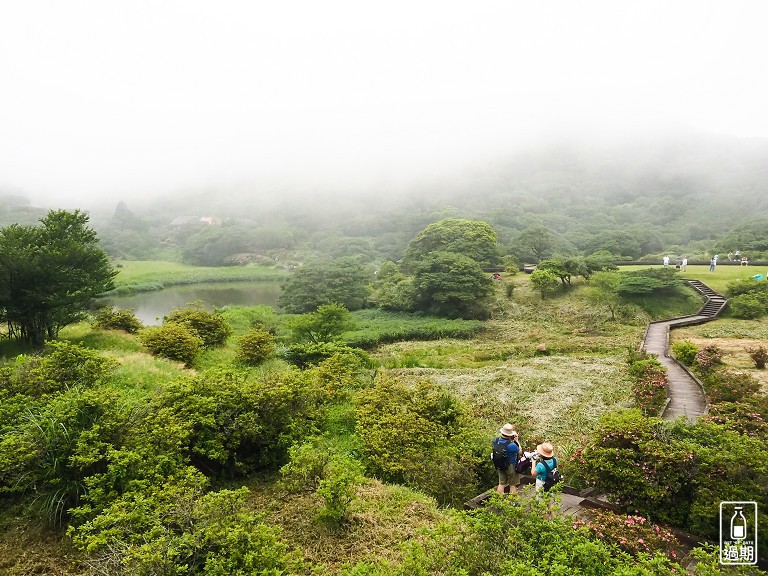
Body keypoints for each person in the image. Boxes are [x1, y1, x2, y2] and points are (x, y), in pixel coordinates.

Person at [493, 424, 521, 494]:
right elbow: (520, 452)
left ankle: (499, 500)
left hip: (500, 464)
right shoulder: (512, 445)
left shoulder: (495, 441)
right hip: (511, 466)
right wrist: (517, 441)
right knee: (512, 485)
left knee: (501, 483)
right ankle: (513, 502)